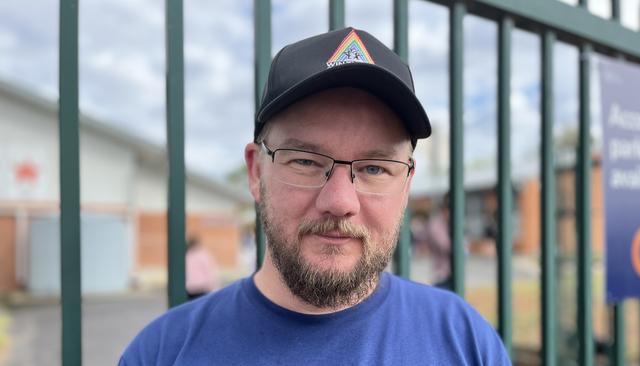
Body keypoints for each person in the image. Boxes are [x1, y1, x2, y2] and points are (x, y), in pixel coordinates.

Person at [120, 27, 510, 365]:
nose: (340, 201)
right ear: (257, 173)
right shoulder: (162, 352)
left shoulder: (465, 341)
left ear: (406, 186)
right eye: (305, 161)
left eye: (375, 169)